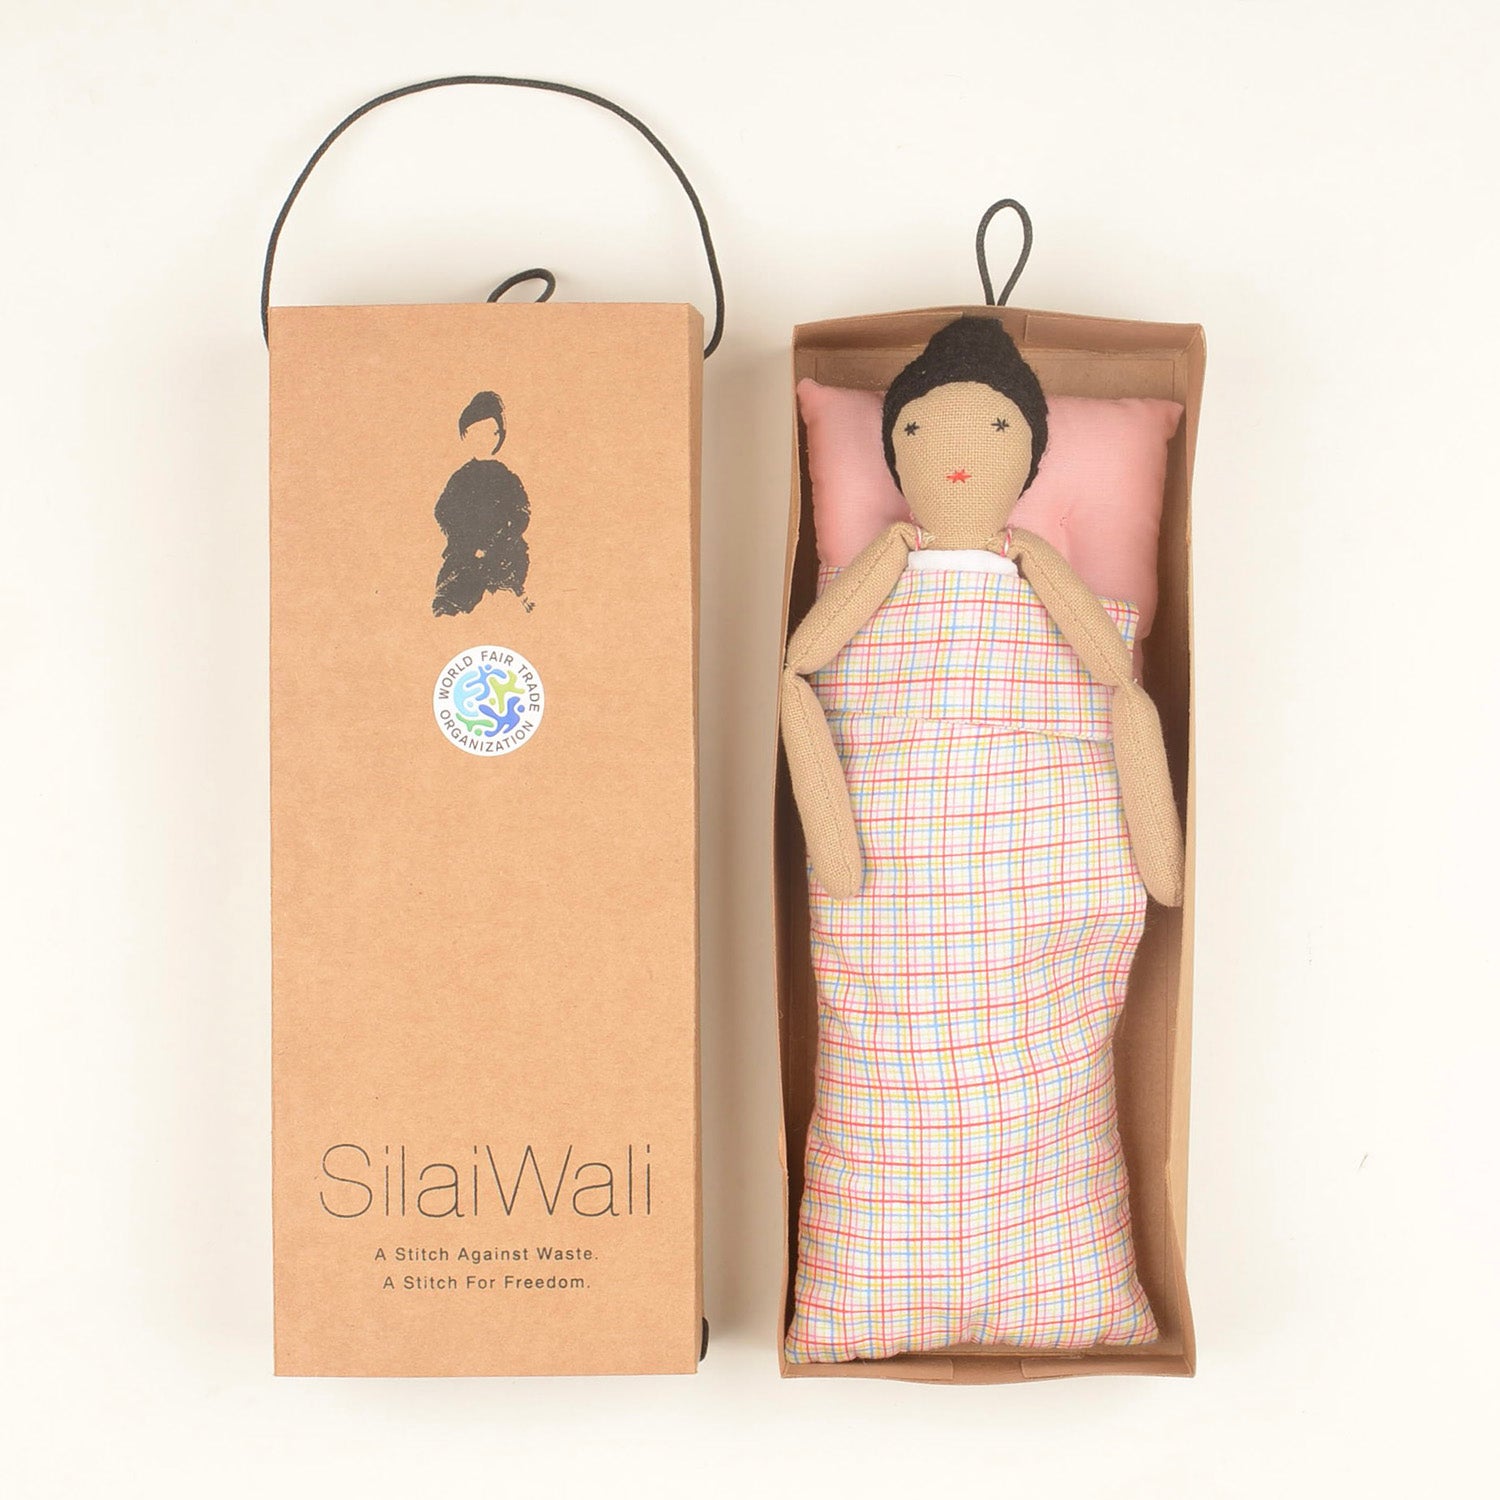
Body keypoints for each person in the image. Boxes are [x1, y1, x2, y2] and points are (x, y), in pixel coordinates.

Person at [431, 391, 534, 617]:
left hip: (502, 550)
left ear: (499, 435)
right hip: (467, 550)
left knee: (505, 576)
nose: (484, 440)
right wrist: (463, 539)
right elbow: (442, 510)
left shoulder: (506, 477)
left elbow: (522, 512)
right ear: (465, 435)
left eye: (491, 433)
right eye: (475, 433)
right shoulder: (461, 477)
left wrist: (502, 539)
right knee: (451, 591)